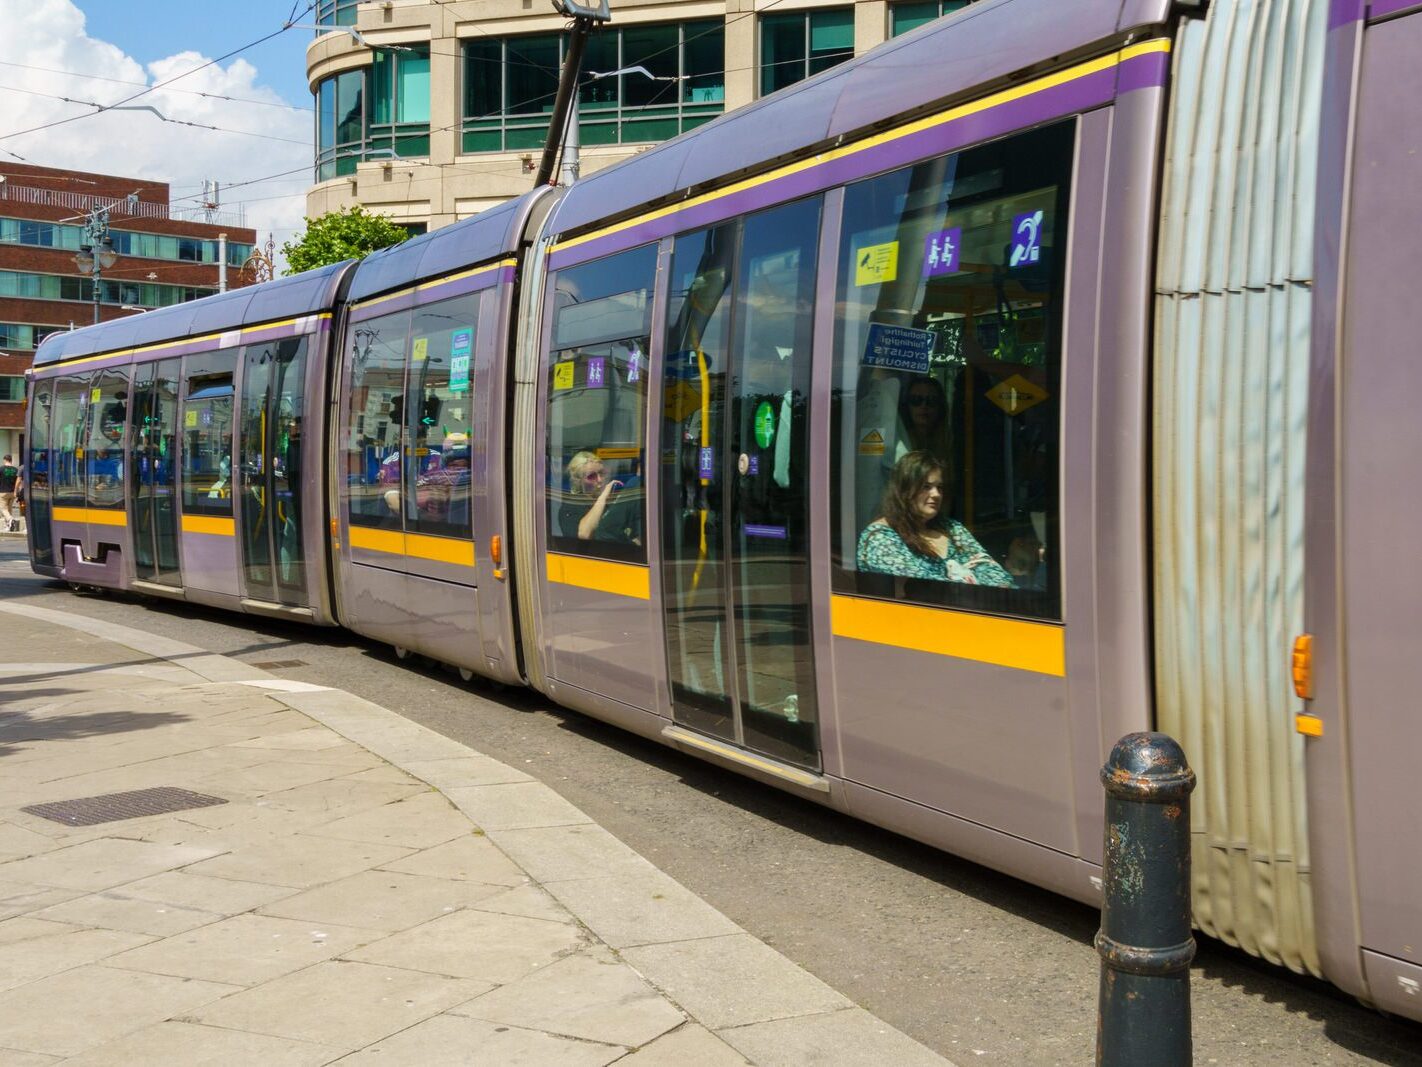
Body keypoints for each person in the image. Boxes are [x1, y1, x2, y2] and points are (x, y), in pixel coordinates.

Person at [857, 450, 1013, 586]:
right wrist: (968, 572)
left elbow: (998, 576)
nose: (936, 494)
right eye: (926, 487)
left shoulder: (950, 528)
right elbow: (929, 589)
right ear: (904, 490)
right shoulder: (879, 538)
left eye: (939, 487)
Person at [559, 450, 640, 544]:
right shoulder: (571, 506)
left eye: (602, 473)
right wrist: (603, 497)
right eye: (591, 476)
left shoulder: (612, 502)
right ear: (578, 481)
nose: (600, 480)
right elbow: (585, 534)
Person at [896, 376, 951, 462]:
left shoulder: (950, 442)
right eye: (916, 400)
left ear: (940, 406)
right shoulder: (897, 441)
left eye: (931, 400)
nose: (924, 406)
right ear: (907, 406)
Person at [0, 454, 18, 531]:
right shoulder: (15, 470)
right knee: (9, 509)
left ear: (4, 460)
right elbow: (18, 481)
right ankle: (8, 526)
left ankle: (10, 519)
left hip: (3, 492)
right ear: (11, 460)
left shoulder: (1, 469)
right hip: (12, 492)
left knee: (3, 509)